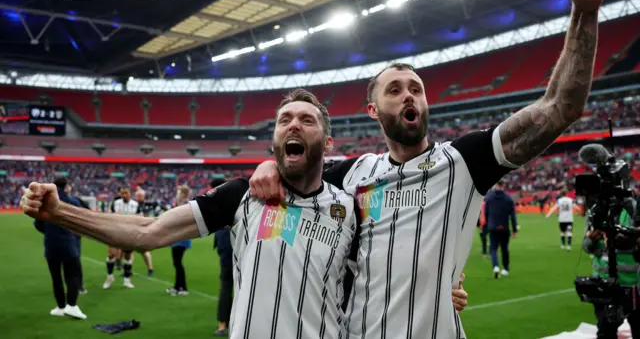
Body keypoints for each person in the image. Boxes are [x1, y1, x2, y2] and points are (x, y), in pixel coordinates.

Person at [248, 0, 608, 338]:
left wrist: (584, 13)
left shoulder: (463, 162)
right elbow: (300, 171)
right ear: (373, 110)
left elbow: (559, 108)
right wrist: (268, 167)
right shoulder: (354, 173)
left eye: (415, 89)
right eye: (395, 89)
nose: (408, 94)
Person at [20, 89, 467, 339]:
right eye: (284, 119)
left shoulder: (349, 207)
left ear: (328, 145)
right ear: (273, 139)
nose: (294, 124)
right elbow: (148, 232)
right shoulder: (243, 196)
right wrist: (62, 213)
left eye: (307, 120)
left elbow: (386, 270)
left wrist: (441, 292)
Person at [582, 207, 640, 338]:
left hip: (634, 284)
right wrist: (591, 240)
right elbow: (586, 246)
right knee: (605, 332)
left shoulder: (634, 208)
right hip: (604, 284)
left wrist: (629, 240)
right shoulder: (595, 211)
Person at [34, 177, 86, 319]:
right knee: (73, 276)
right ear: (66, 186)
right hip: (68, 244)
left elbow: (38, 224)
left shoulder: (45, 203)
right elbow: (80, 221)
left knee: (56, 277)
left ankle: (60, 307)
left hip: (51, 244)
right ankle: (72, 306)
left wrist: (51, 232)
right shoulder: (72, 202)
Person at [210, 178, 233, 336]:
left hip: (227, 243)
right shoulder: (233, 196)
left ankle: (223, 323)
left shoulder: (218, 199)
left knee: (226, 285)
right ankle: (224, 322)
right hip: (230, 243)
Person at [103, 188, 138, 290]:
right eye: (122, 193)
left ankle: (127, 280)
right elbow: (109, 216)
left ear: (130, 194)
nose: (124, 195)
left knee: (127, 256)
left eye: (126, 193)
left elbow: (140, 218)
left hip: (129, 233)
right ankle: (109, 277)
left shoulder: (135, 205)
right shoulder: (115, 203)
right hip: (116, 232)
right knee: (111, 255)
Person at [485, 180, 518, 278]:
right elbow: (512, 216)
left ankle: (495, 267)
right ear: (503, 185)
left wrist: (488, 224)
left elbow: (486, 213)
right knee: (504, 249)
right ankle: (505, 269)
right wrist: (514, 229)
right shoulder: (508, 198)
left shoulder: (489, 198)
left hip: (493, 227)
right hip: (504, 227)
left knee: (493, 248)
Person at [167, 184, 192, 296]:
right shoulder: (182, 205)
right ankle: (178, 287)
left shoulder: (186, 206)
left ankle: (183, 288)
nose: (177, 195)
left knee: (178, 263)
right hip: (178, 238)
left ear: (183, 193)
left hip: (181, 238)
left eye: (178, 192)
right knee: (176, 263)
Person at [134, 188, 155, 276]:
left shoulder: (144, 205)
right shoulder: (134, 204)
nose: (138, 197)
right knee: (128, 250)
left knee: (144, 251)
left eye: (140, 196)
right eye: (137, 196)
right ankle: (127, 270)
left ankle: (150, 269)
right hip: (134, 229)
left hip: (143, 229)